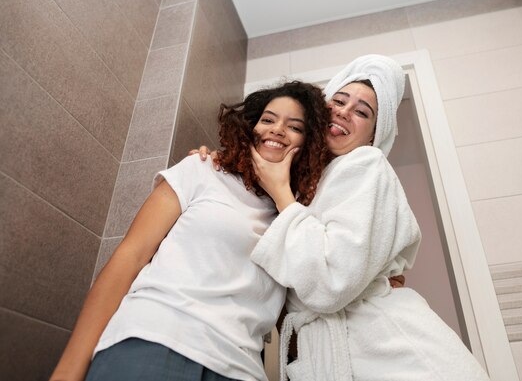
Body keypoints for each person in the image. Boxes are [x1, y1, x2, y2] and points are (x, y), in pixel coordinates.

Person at [196, 54, 490, 381]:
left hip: (397, 354)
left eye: (362, 112)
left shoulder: (367, 166)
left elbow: (330, 284)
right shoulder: (305, 184)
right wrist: (215, 164)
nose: (345, 112)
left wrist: (282, 195)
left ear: (374, 136)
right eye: (338, 100)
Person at [49, 81, 331, 381]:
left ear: (309, 144)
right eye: (267, 119)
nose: (277, 130)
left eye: (294, 127)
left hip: (240, 369)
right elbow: (130, 257)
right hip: (152, 340)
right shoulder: (203, 168)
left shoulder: (297, 219)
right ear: (250, 127)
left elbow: (312, 298)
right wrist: (68, 372)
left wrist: (281, 194)